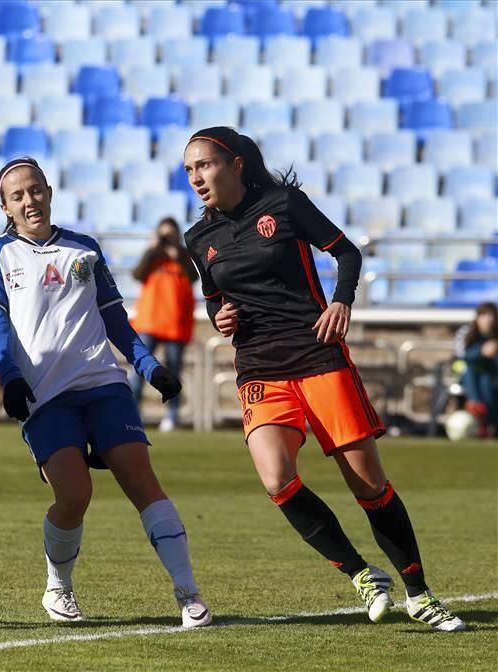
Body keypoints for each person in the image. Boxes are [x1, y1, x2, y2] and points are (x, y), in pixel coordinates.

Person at [181, 126, 465, 632]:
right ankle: (362, 574)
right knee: (277, 479)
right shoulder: (198, 237)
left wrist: (342, 301)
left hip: (316, 356)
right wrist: (220, 317)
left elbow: (347, 252)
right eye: (188, 171)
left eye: (204, 165)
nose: (196, 178)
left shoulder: (285, 204)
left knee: (369, 485)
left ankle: (420, 594)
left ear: (235, 164)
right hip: (259, 368)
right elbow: (215, 299)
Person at [0, 156, 212, 627]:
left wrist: (148, 367)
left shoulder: (84, 249)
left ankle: (188, 594)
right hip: (45, 396)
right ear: (5, 205)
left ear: (49, 190)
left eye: (36, 190)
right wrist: (9, 378)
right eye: (19, 195)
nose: (30, 201)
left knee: (141, 481)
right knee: (75, 493)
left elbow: (114, 319)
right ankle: (58, 587)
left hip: (103, 384)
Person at [129, 217, 198, 432]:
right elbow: (137, 274)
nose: (167, 239)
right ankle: (132, 414)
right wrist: (152, 250)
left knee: (174, 372)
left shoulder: (184, 257)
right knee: (140, 371)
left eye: (171, 235)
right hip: (149, 323)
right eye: (164, 235)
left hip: (175, 326)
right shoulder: (152, 257)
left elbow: (194, 278)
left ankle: (171, 416)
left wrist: (179, 256)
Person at [454, 301, 498, 437]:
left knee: (486, 380)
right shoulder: (466, 332)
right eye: (484, 315)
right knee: (469, 368)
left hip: (491, 376)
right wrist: (481, 352)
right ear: (478, 317)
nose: (488, 319)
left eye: (491, 315)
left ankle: (481, 415)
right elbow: (461, 356)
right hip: (466, 374)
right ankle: (478, 407)